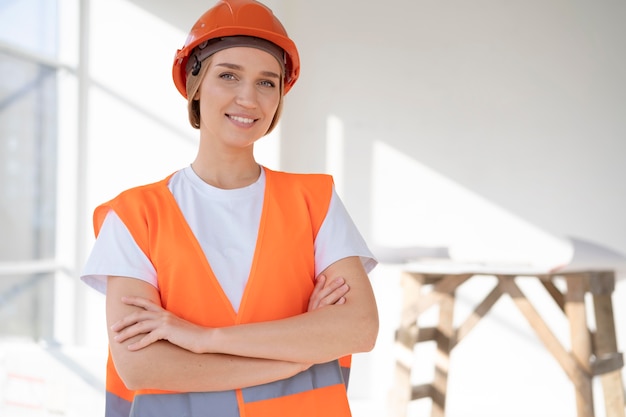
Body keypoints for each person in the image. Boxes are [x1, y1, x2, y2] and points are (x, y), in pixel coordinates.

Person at [80, 0, 379, 416]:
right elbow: (142, 365)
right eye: (228, 76)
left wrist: (203, 339)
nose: (248, 98)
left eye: (266, 82)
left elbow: (359, 329)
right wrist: (301, 354)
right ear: (194, 85)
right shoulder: (135, 215)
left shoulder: (315, 200)